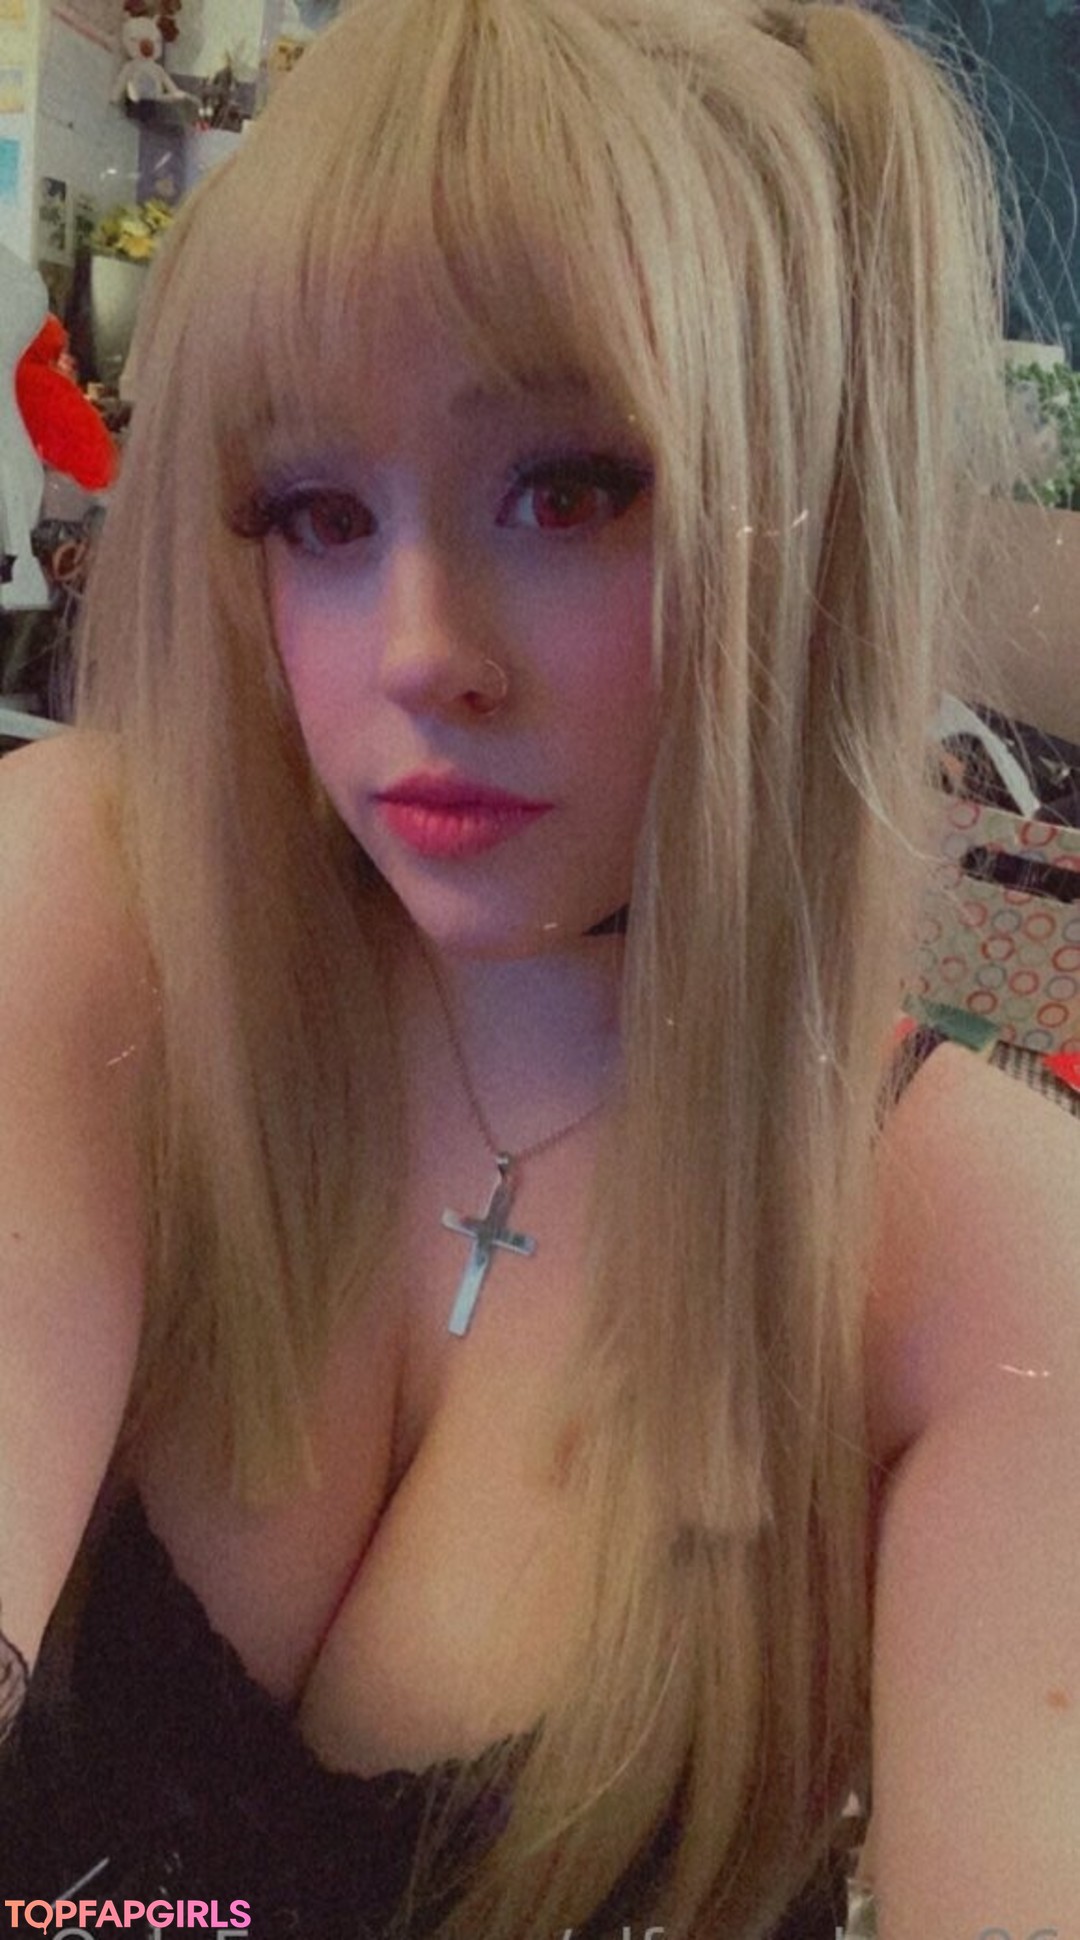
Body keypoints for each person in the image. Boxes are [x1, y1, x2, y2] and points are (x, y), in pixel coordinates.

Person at [2, 1, 1079, 1935]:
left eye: (569, 488)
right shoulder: (99, 907)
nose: (420, 649)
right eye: (321, 514)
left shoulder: (981, 1258)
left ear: (812, 523)